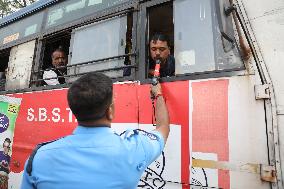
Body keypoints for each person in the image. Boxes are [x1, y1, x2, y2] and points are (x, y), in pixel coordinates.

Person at [21, 72, 170, 189]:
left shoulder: (38, 158)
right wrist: (158, 94)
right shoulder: (134, 149)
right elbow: (163, 127)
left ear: (74, 111)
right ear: (110, 111)